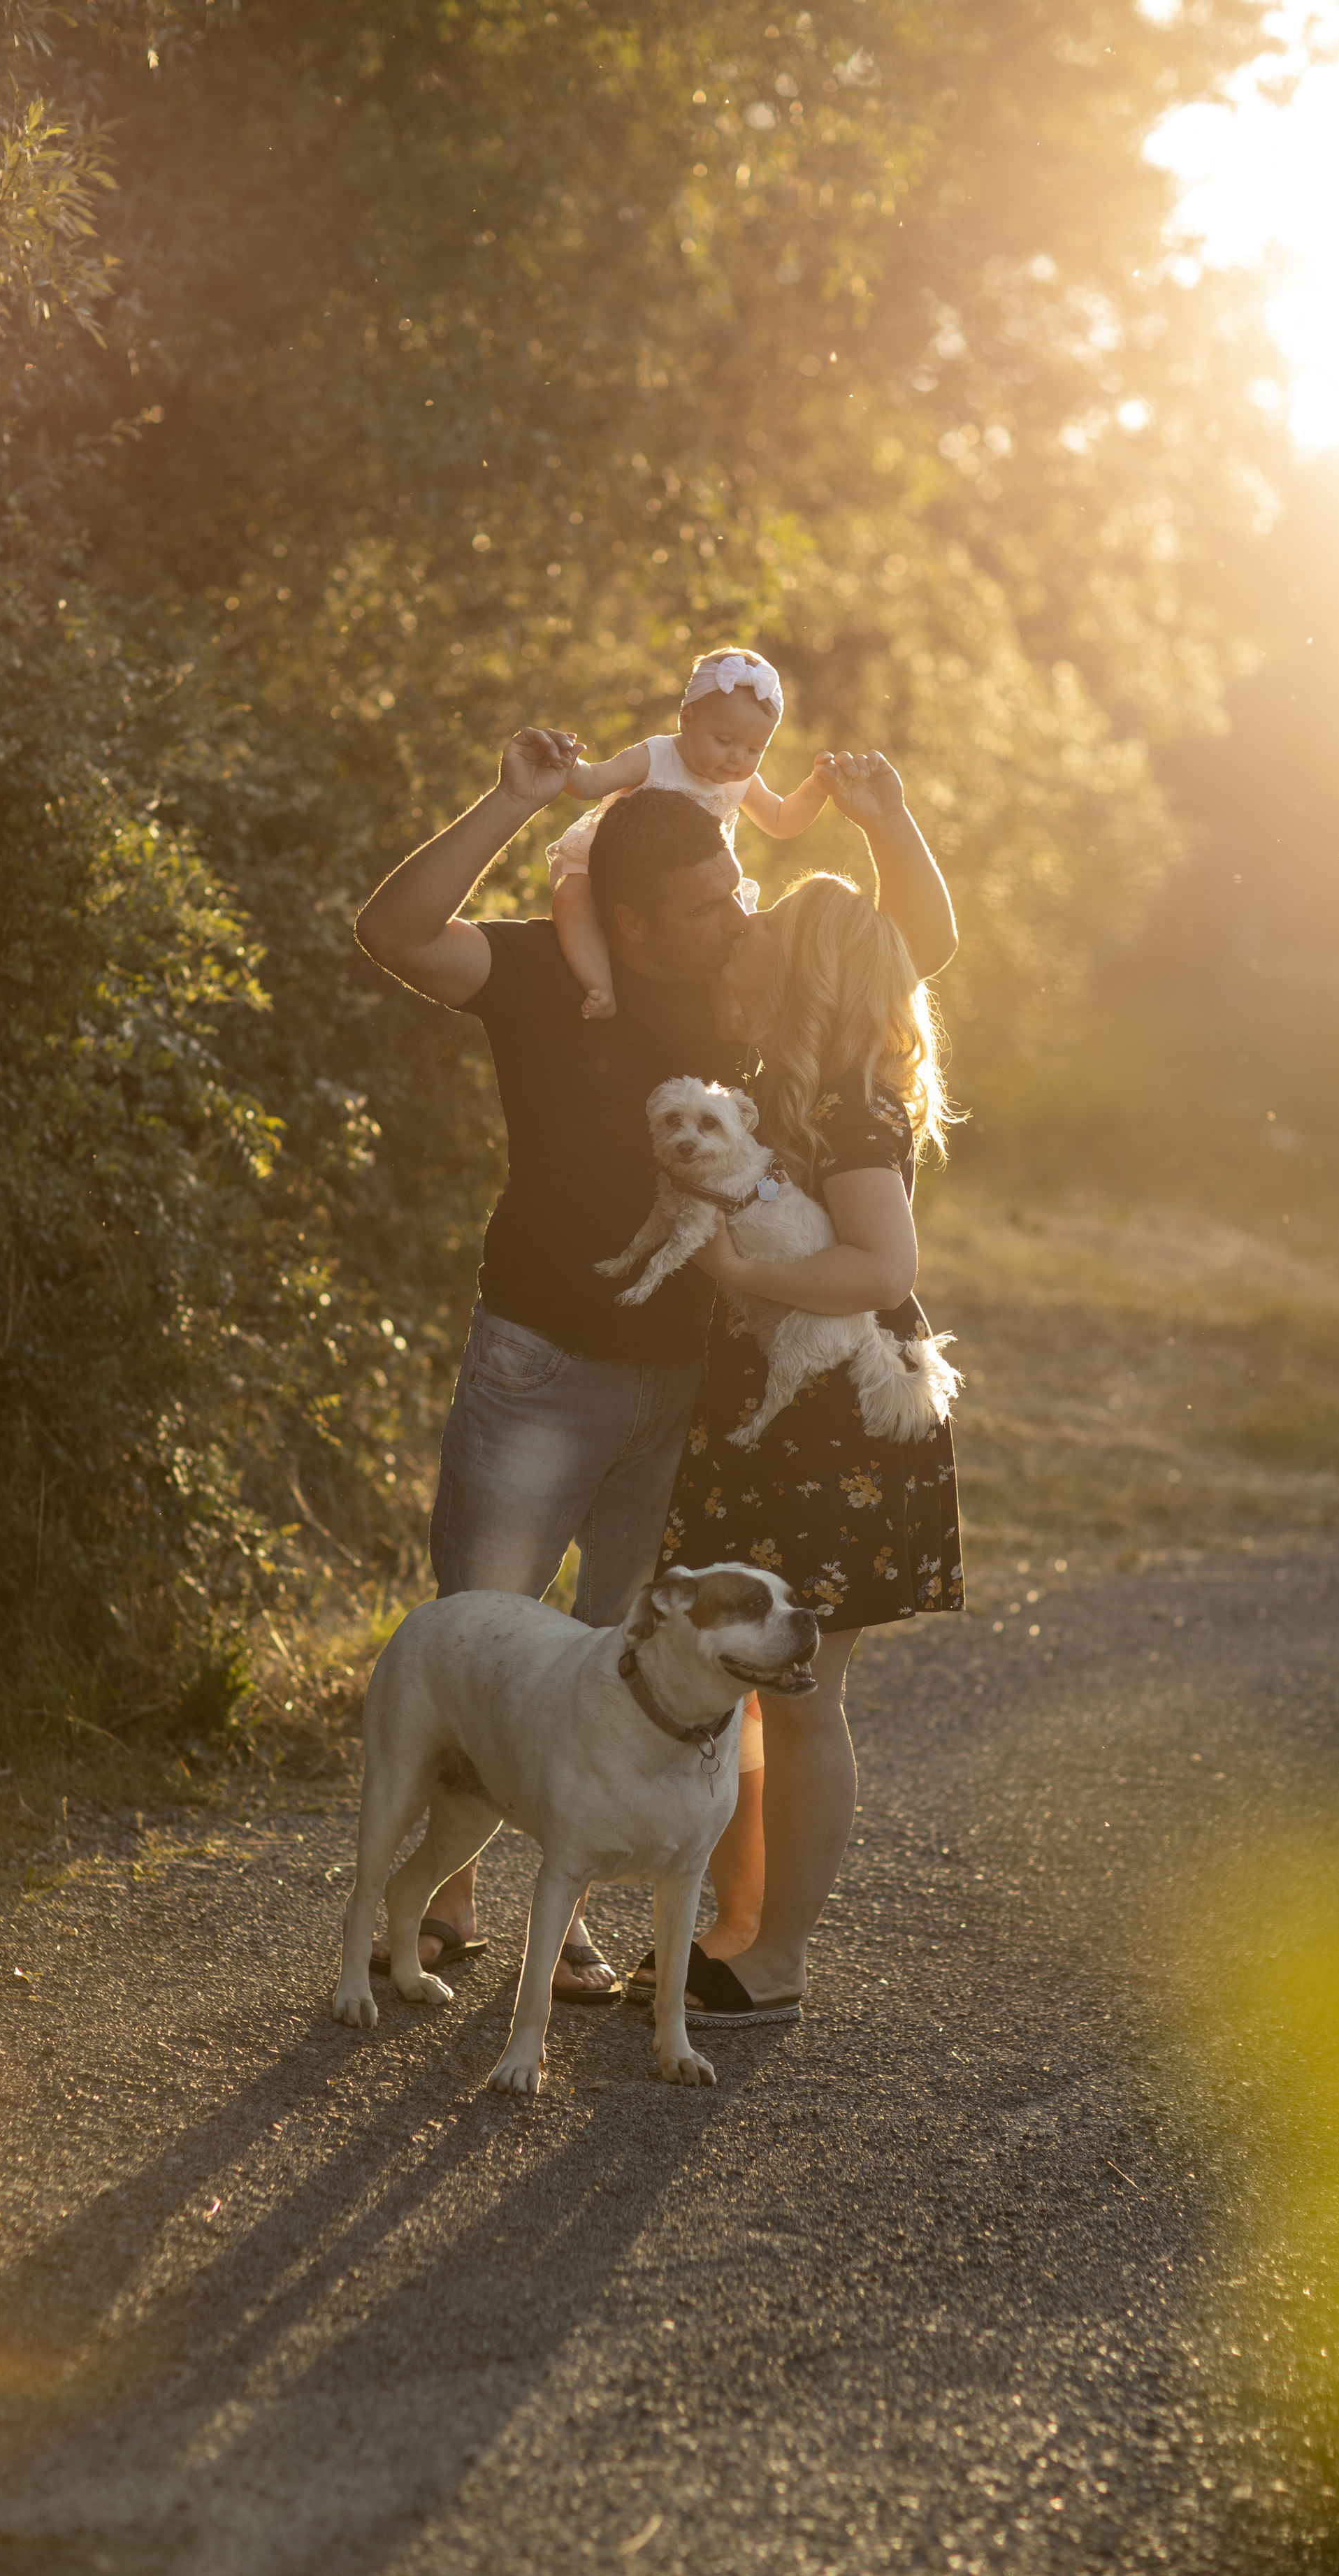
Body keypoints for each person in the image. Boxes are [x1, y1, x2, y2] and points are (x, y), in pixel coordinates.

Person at [354, 723, 956, 1996]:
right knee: (483, 1639)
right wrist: (511, 803)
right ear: (629, 921)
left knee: (622, 1662)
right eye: (707, 907)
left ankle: (573, 1921)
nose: (736, 921)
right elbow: (393, 933)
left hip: (695, 1388)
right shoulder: (544, 972)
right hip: (543, 1367)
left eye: (742, 897)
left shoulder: (752, 996)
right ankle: (443, 1905)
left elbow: (897, 949)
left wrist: (883, 822)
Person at [626, 854, 963, 2028]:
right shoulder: (782, 1081)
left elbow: (881, 1265)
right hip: (772, 1409)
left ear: (809, 964)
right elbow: (916, 940)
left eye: (766, 917)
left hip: (835, 1425)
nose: (745, 925)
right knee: (743, 1682)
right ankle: (733, 1929)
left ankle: (776, 1960)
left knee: (803, 1693)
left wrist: (732, 1267)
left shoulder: (850, 1107)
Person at [547, 647, 830, 1018]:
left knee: (736, 931)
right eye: (724, 741)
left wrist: (816, 789)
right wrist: (568, 763)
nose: (737, 758)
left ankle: (731, 1014)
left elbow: (781, 821)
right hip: (616, 864)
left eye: (754, 749)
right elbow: (593, 781)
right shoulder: (656, 756)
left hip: (697, 887)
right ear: (687, 719)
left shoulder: (740, 781)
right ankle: (599, 985)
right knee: (572, 896)